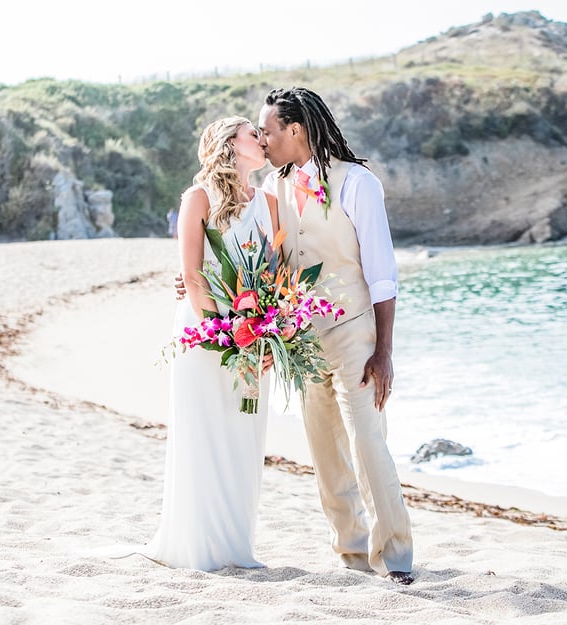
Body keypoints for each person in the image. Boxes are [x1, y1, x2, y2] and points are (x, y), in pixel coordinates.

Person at [177, 88, 414, 584]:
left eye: (267, 130)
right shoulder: (274, 190)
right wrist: (201, 280)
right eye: (256, 132)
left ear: (295, 131)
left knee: (369, 445)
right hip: (302, 340)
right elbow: (258, 259)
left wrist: (385, 351)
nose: (262, 138)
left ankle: (394, 557)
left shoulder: (357, 183)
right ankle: (350, 556)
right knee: (325, 454)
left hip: (355, 333)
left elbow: (383, 273)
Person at [144, 116, 279, 571]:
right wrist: (223, 338)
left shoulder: (270, 204)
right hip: (206, 336)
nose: (261, 139)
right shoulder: (198, 197)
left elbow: (276, 279)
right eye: (252, 132)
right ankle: (199, 546)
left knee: (243, 436)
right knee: (204, 433)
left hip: (253, 335)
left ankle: (236, 546)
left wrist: (265, 338)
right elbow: (193, 276)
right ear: (228, 143)